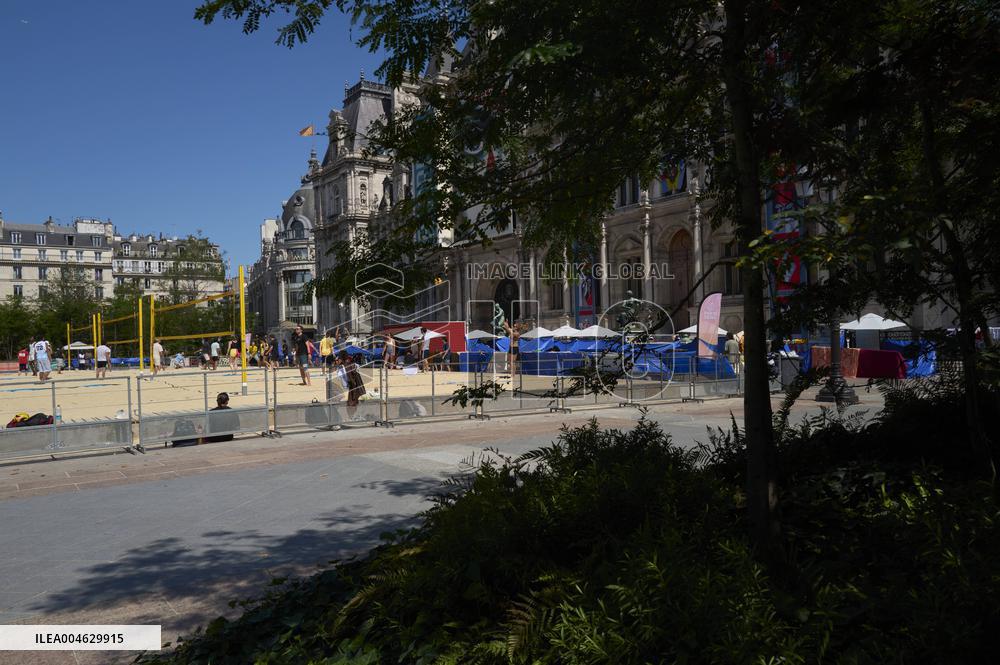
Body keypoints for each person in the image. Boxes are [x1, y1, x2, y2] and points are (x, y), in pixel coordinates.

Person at [340, 349, 365, 419]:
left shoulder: (342, 367)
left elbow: (343, 380)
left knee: (352, 400)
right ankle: (352, 416)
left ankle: (351, 416)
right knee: (353, 399)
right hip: (355, 385)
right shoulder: (354, 365)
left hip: (350, 385)